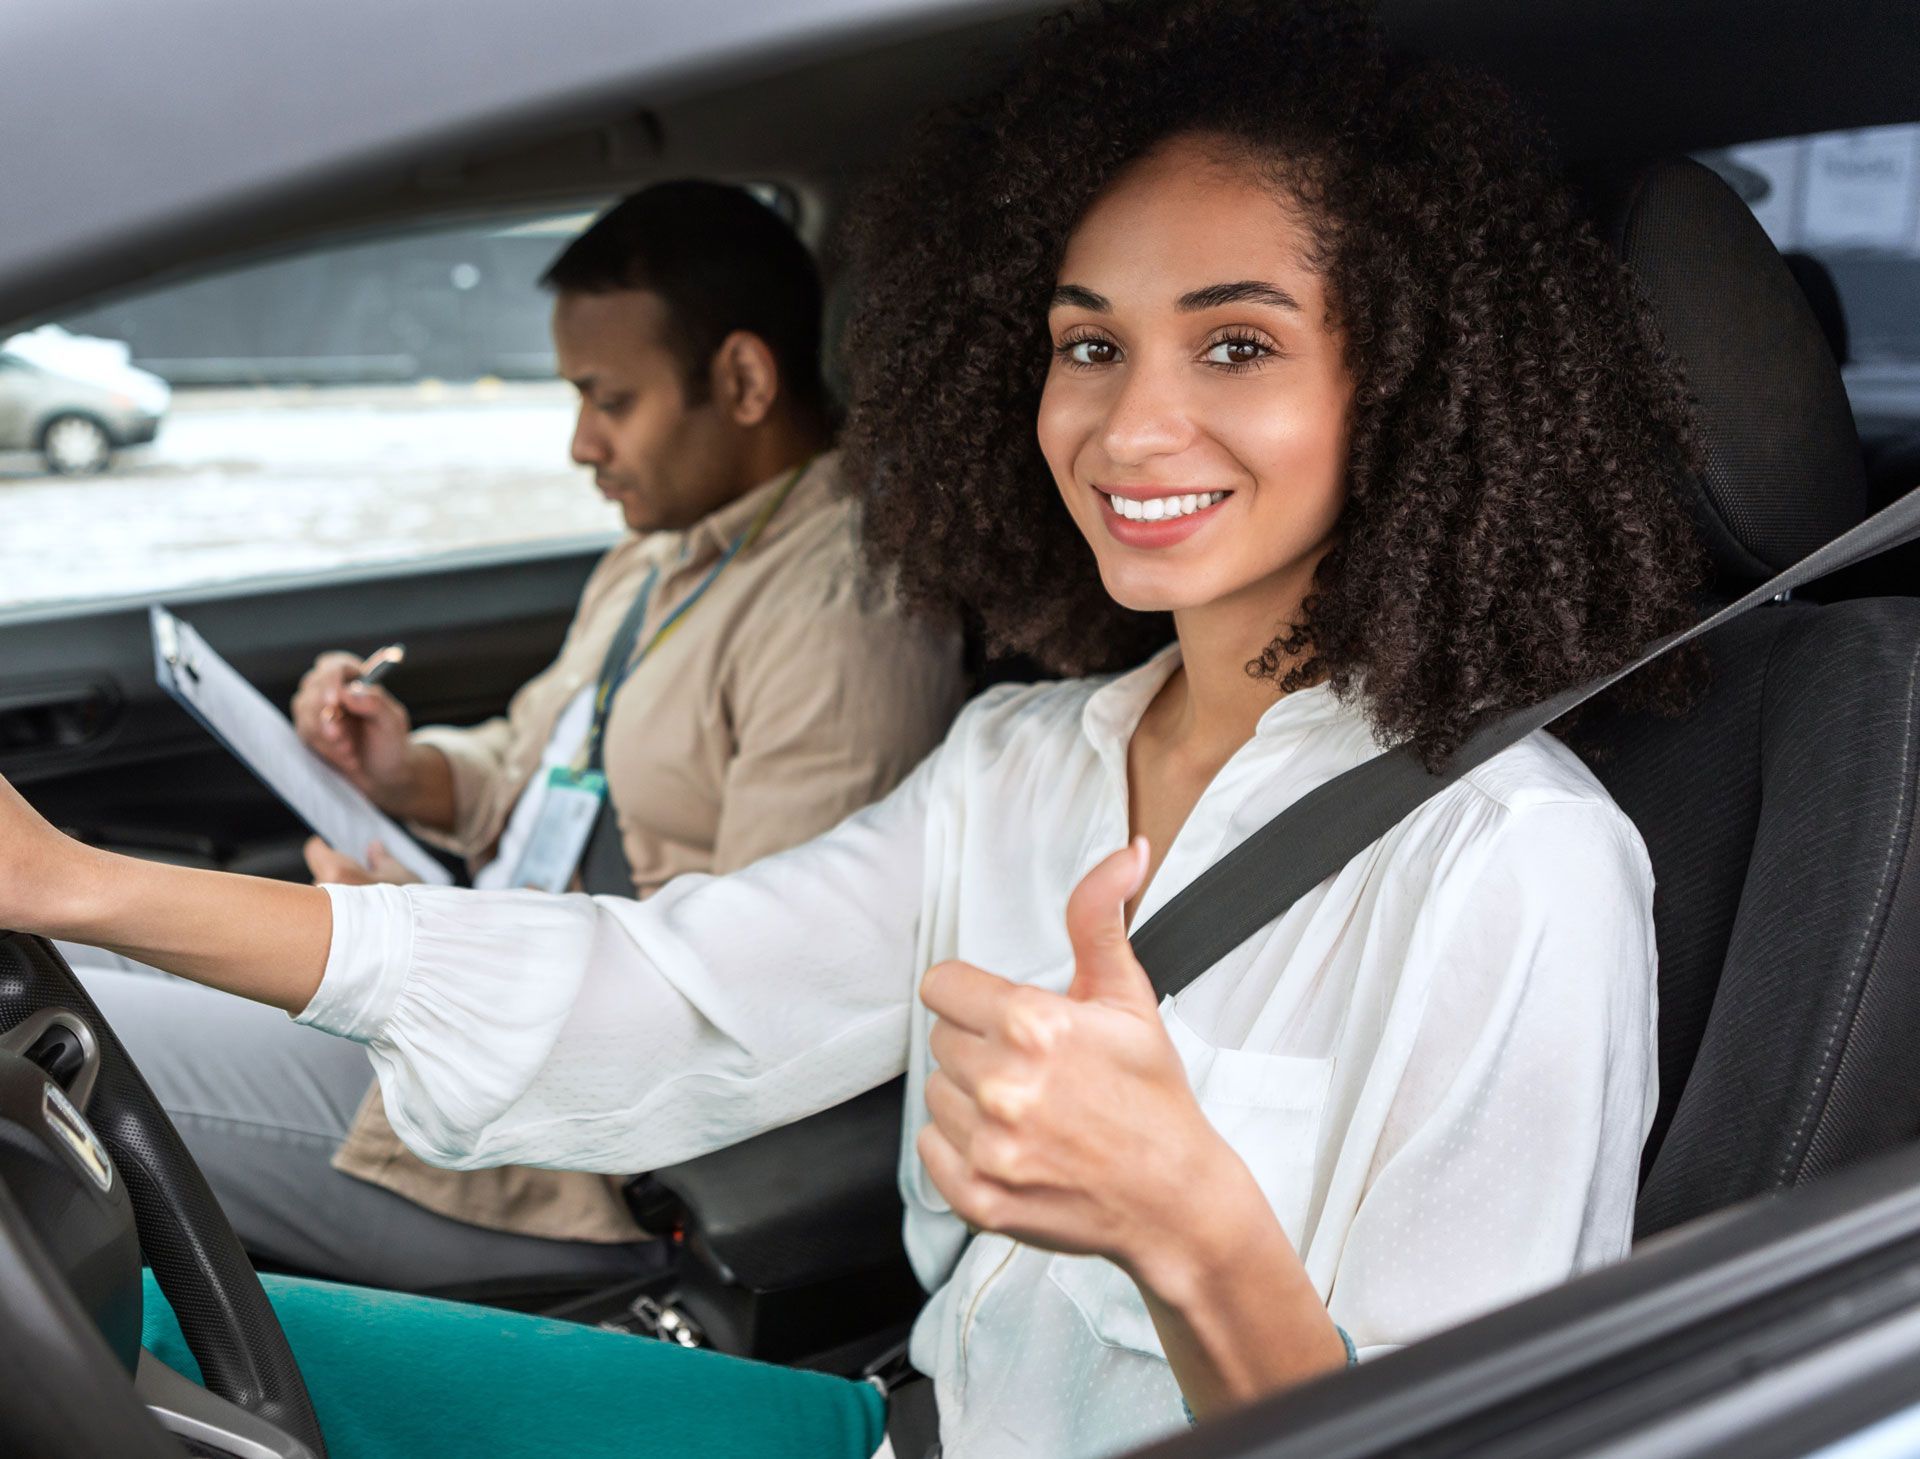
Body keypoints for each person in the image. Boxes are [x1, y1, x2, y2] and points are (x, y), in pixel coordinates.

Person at [0, 2, 1708, 1455]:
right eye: (1086, 343)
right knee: (112, 1331)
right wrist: (82, 885)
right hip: (901, 1425)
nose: (1132, 420)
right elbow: (658, 992)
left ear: (1406, 381)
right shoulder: (1020, 760)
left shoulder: (1517, 859)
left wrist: (1187, 1222)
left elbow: (1483, 1427)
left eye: (1239, 340)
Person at [68, 180, 967, 1295]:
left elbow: (753, 989)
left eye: (610, 399)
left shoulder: (845, 608)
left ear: (741, 379)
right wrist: (408, 769)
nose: (582, 443)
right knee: (62, 963)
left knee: (57, 1037)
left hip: (563, 1125)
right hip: (478, 985)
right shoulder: (665, 553)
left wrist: (429, 926)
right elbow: (546, 761)